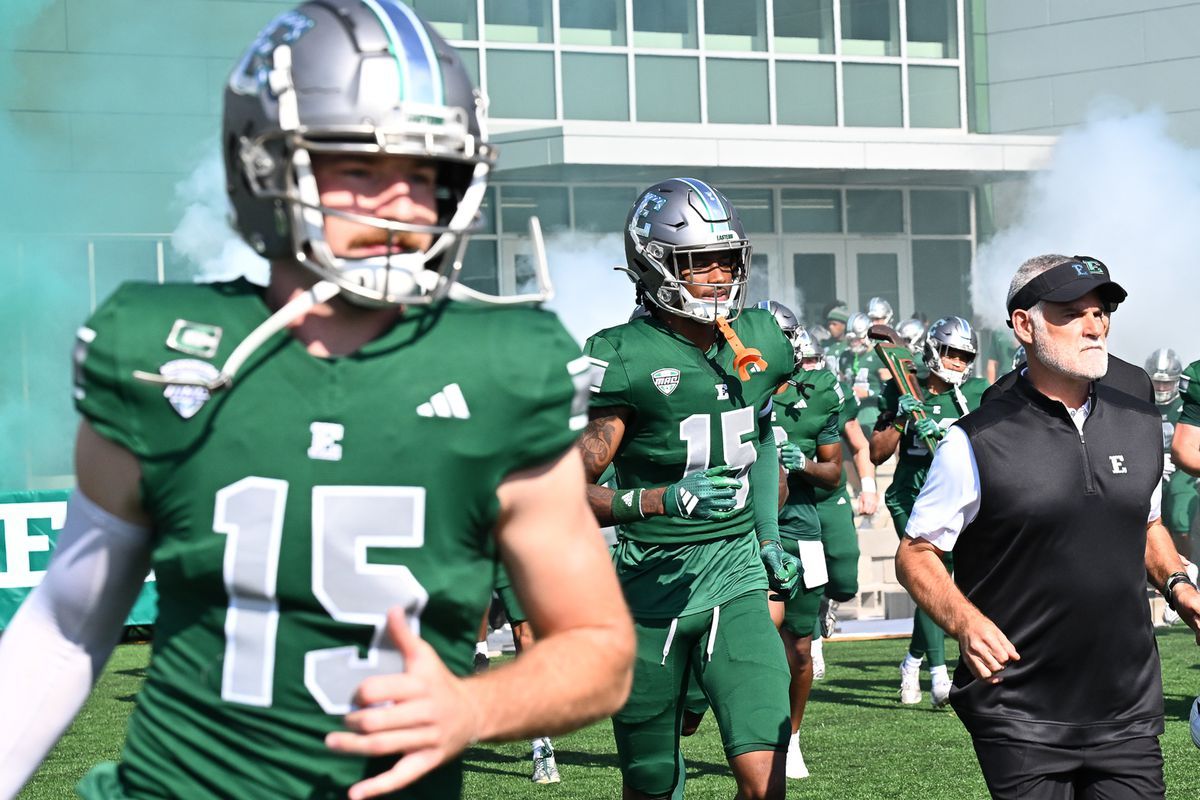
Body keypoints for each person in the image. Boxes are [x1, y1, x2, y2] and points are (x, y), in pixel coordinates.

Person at [0, 4, 635, 799]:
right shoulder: (161, 352)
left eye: (427, 174)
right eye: (361, 170)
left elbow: (599, 647)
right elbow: (64, 628)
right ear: (264, 167)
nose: (402, 206)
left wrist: (476, 705)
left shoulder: (502, 368)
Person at [897, 254, 1200, 800]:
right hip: (1020, 710)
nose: (1095, 325)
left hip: (1127, 707)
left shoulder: (1140, 422)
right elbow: (915, 553)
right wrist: (965, 623)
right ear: (1023, 324)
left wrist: (1181, 587)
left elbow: (1147, 521)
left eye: (1102, 311)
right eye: (1071, 312)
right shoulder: (976, 439)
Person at [578, 178, 800, 800]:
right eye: (699, 261)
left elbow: (758, 441)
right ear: (653, 262)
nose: (719, 274)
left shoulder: (763, 336)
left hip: (736, 578)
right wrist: (656, 500)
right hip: (650, 584)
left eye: (727, 258)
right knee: (652, 782)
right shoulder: (622, 356)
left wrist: (766, 535)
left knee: (766, 779)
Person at [870, 316, 986, 708]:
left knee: (946, 586)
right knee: (931, 579)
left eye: (964, 355)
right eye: (951, 352)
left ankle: (913, 659)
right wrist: (903, 418)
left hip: (956, 501)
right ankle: (939, 674)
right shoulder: (904, 386)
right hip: (911, 497)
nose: (956, 361)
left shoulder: (976, 394)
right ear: (934, 350)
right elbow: (876, 452)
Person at [759, 303, 843, 780]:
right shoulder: (732, 389)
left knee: (801, 648)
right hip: (745, 526)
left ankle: (791, 737)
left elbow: (832, 474)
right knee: (755, 638)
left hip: (800, 528)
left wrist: (804, 465)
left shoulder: (819, 395)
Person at [1145, 349, 1196, 560]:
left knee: (1179, 521)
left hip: (1181, 469)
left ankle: (1188, 569)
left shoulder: (1187, 404)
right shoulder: (1142, 402)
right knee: (1143, 521)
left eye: (1167, 383)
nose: (1162, 388)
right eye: (1157, 383)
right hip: (1150, 467)